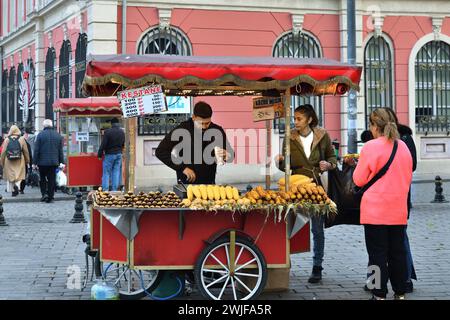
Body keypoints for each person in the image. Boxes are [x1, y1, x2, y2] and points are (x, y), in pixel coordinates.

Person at [353, 108, 413, 300]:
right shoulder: (403, 146)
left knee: (376, 254)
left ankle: (378, 293)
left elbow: (358, 179)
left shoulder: (370, 147)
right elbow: (408, 175)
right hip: (398, 210)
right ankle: (401, 292)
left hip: (375, 211)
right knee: (398, 253)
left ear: (373, 126)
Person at [274, 104, 337, 284]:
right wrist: (279, 162)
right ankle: (285, 263)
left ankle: (317, 267)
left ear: (310, 119)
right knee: (289, 227)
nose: (296, 122)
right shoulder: (289, 137)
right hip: (295, 187)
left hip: (316, 187)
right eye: (294, 118)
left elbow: (333, 158)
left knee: (317, 229)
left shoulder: (322, 135)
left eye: (299, 118)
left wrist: (328, 164)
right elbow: (285, 165)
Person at [155, 101, 234, 185]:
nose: (204, 127)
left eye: (207, 123)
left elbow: (231, 155)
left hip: (209, 183)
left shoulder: (217, 130)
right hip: (186, 183)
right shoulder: (182, 129)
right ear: (193, 117)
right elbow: (160, 151)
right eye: (201, 123)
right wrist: (182, 168)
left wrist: (227, 155)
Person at [33, 119, 65, 203]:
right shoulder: (58, 136)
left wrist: (34, 162)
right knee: (52, 179)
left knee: (42, 179)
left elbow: (36, 150)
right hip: (54, 162)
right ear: (52, 125)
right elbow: (60, 151)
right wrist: (62, 162)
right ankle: (51, 196)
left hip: (42, 163)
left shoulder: (40, 135)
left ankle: (44, 194)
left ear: (44, 126)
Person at [1, 125, 30, 197]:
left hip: (9, 160)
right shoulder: (22, 139)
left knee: (11, 175)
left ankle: (13, 190)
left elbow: (3, 152)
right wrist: (27, 160)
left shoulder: (7, 139)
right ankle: (17, 186)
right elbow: (25, 151)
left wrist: (2, 161)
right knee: (19, 175)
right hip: (20, 159)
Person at [97, 118, 125, 191]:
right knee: (116, 172)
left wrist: (99, 154)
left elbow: (103, 144)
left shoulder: (108, 132)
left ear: (111, 124)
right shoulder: (122, 132)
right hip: (119, 154)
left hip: (109, 154)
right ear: (118, 124)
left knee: (106, 173)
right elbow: (123, 144)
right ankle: (114, 190)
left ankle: (105, 190)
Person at [19, 128, 33, 194]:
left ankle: (14, 189)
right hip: (23, 162)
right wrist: (29, 163)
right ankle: (21, 189)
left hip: (13, 162)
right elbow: (28, 154)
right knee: (23, 175)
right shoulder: (26, 143)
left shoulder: (10, 140)